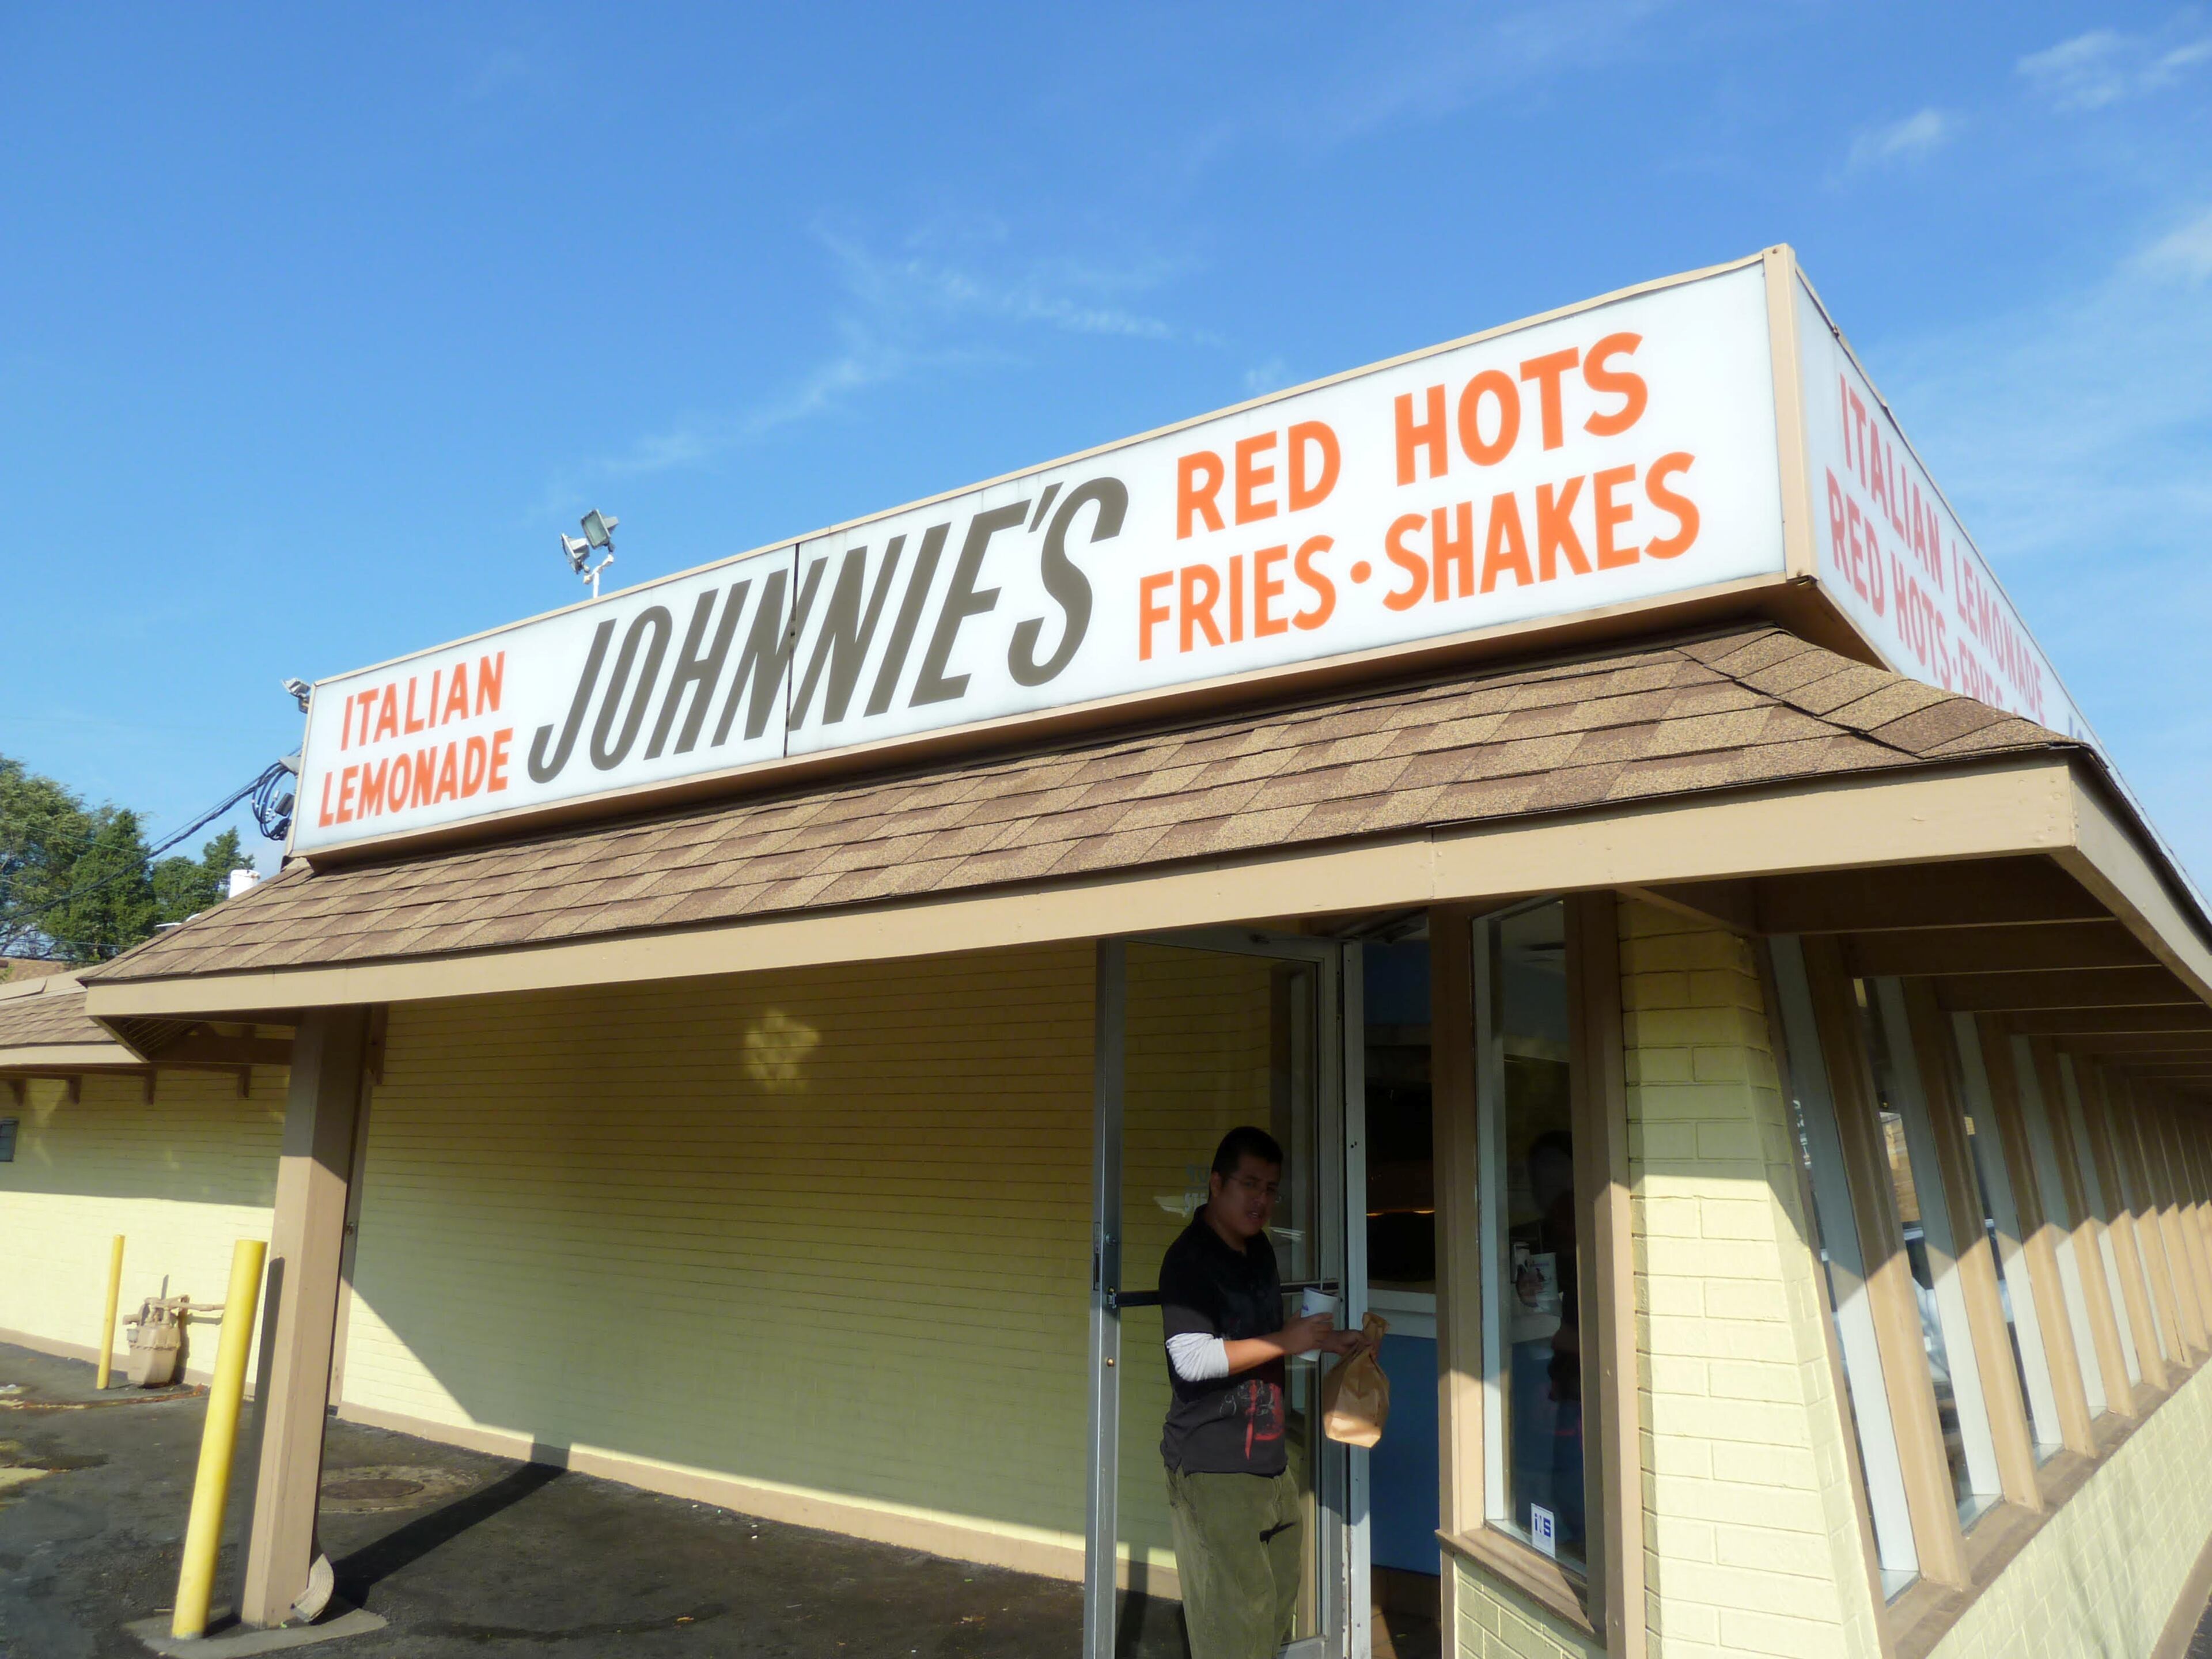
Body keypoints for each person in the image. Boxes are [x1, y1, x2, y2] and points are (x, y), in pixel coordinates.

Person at [1157, 1126, 1361, 1659]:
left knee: (1270, 1616)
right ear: (1216, 1183)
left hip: (1269, 1460)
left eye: (1272, 1188)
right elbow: (1192, 1356)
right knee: (1231, 1627)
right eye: (1250, 1184)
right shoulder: (1188, 1260)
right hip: (1213, 1463)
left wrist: (1326, 1341)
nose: (1262, 1200)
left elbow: (1265, 1341)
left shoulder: (1259, 1250)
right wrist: (1282, 1339)